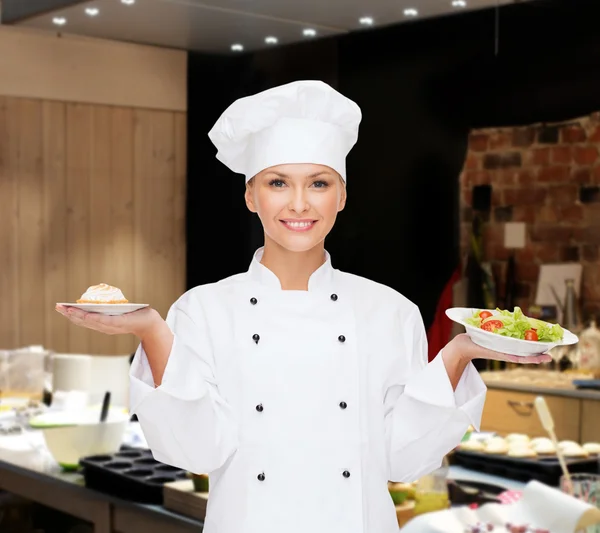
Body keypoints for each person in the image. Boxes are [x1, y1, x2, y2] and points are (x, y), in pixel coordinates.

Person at [56, 80, 551, 533]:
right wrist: (152, 332)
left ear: (342, 196)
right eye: (277, 183)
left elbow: (401, 460)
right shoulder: (202, 310)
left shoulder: (389, 311)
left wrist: (458, 353)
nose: (299, 204)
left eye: (318, 183)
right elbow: (193, 450)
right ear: (250, 196)